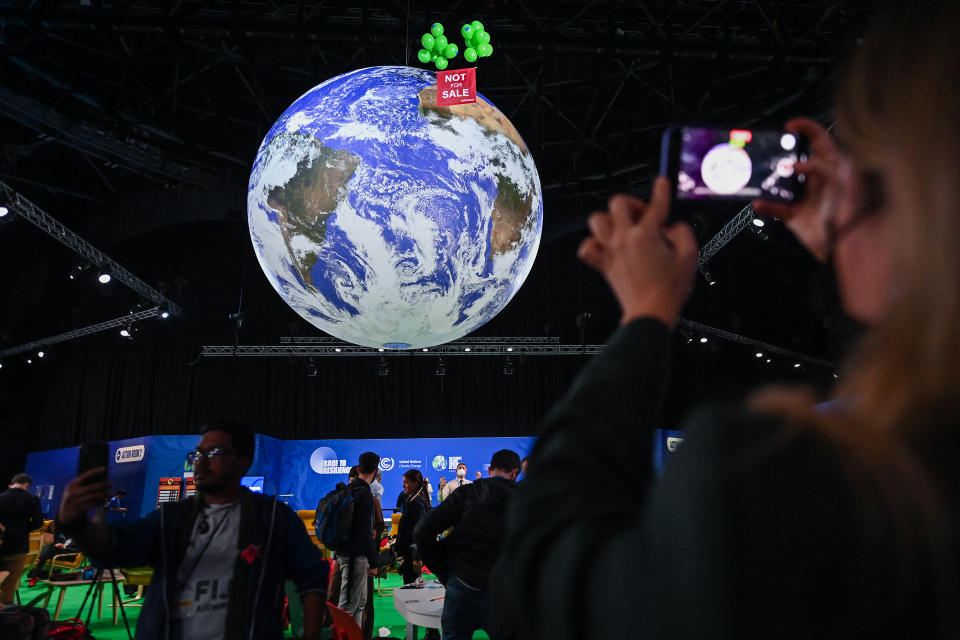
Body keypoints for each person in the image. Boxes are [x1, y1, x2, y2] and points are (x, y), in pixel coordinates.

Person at [494, 3, 960, 638]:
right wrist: (846, 247)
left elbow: (545, 577)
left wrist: (645, 316)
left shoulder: (781, 486)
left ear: (911, 208)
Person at [56, 421, 328, 640]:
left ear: (244, 461)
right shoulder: (172, 518)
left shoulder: (272, 519)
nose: (201, 461)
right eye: (198, 454)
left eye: (215, 453)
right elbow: (118, 547)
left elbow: (312, 575)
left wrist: (311, 633)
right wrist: (76, 523)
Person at [415, 450, 521, 640]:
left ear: (489, 470)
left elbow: (422, 531)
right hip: (506, 592)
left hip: (463, 584)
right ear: (515, 472)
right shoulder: (527, 498)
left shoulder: (468, 492)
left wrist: (446, 572)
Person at [335, 452, 379, 626]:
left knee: (359, 604)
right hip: (356, 557)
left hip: (346, 554)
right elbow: (364, 533)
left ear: (358, 469)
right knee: (347, 608)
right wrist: (374, 563)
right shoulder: (364, 494)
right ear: (376, 472)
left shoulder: (349, 490)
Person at [0, 473, 43, 606]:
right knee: (11, 581)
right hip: (18, 546)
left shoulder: (1, 497)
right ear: (27, 485)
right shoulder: (32, 499)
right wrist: (22, 528)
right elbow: (37, 523)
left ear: (12, 483)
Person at [395, 469, 430, 585]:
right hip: (408, 553)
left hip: (412, 555)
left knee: (412, 590)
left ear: (415, 483)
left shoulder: (417, 502)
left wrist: (416, 556)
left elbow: (421, 530)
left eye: (406, 482)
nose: (403, 485)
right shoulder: (411, 499)